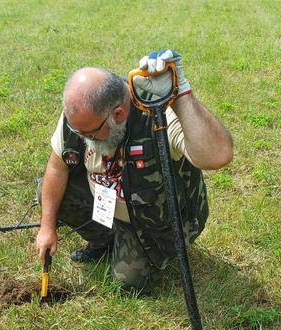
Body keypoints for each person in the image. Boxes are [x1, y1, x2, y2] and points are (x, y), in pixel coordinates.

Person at [35, 50, 234, 291]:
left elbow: (218, 155)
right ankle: (105, 240)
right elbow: (57, 168)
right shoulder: (80, 117)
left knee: (128, 283)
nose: (84, 140)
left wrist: (181, 94)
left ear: (117, 114)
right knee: (47, 193)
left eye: (89, 134)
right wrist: (47, 227)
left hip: (153, 220)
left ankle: (143, 247)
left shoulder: (157, 112)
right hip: (111, 204)